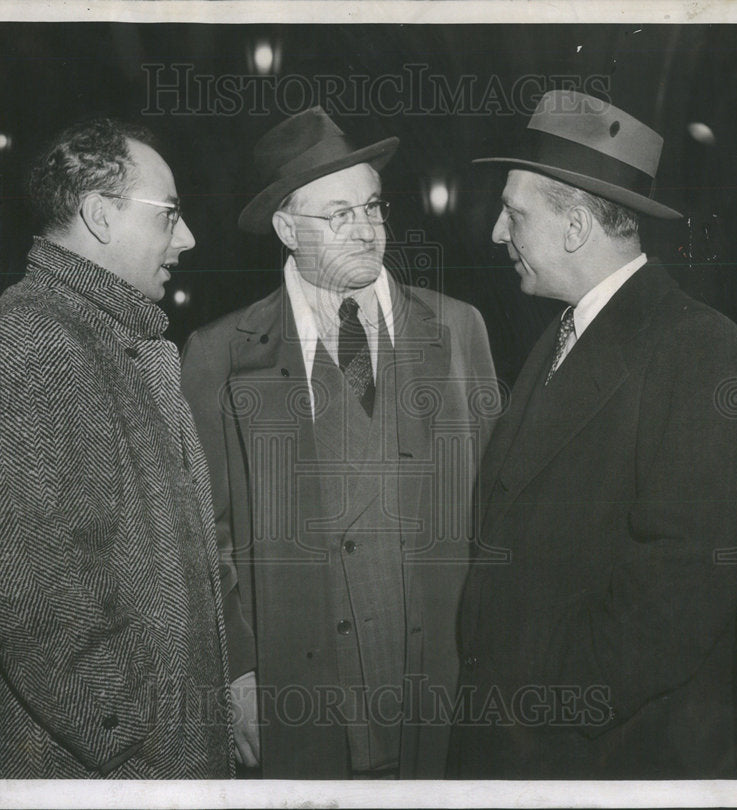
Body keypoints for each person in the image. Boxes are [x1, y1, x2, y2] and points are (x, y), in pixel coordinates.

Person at [450, 90, 737, 778]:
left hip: (602, 756)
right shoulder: (560, 335)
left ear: (575, 228)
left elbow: (681, 591)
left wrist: (542, 706)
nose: (498, 234)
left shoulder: (700, 349)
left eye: (514, 213)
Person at [180, 107, 499, 778]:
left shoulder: (459, 328)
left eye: (372, 207)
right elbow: (203, 537)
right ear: (286, 229)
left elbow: (500, 508)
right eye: (339, 214)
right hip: (304, 695)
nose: (366, 230)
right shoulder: (219, 354)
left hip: (444, 688)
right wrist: (237, 671)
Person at [0, 118, 235, 778]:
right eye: (169, 215)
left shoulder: (104, 337)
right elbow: (31, 591)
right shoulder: (32, 345)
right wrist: (132, 744)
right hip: (100, 770)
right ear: (101, 215)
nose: (187, 238)